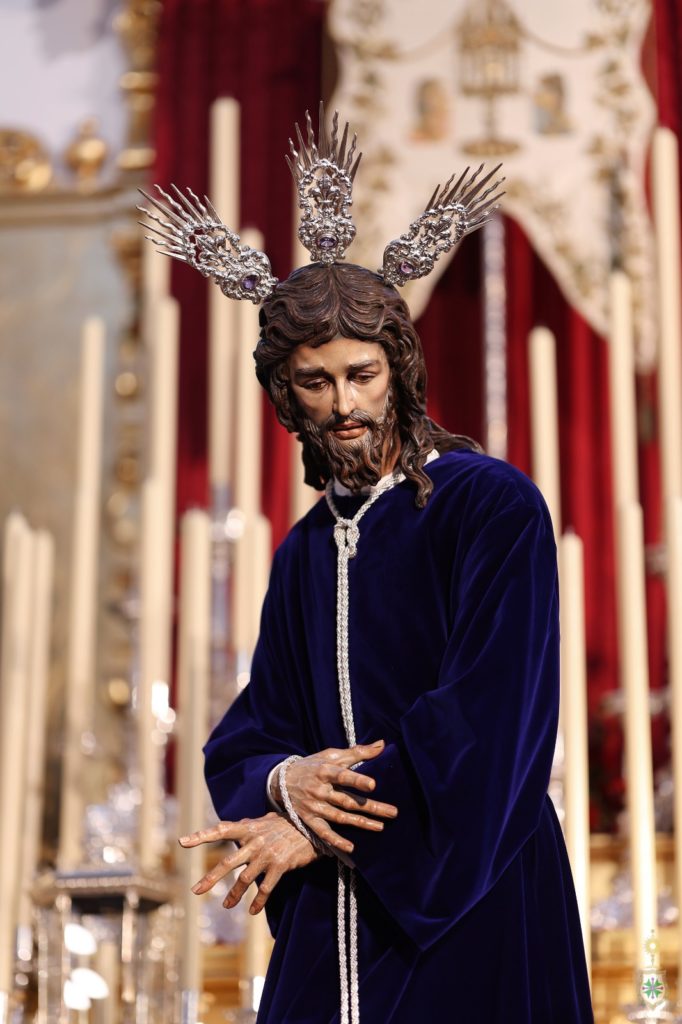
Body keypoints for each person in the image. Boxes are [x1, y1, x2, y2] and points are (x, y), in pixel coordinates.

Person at [142, 107, 593, 1023]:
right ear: (286, 394)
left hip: (472, 894)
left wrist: (318, 826)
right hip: (331, 920)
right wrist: (285, 782)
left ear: (400, 371)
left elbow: (489, 715)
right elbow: (255, 730)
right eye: (317, 382)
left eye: (363, 375)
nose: (344, 403)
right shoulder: (305, 550)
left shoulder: (489, 505)